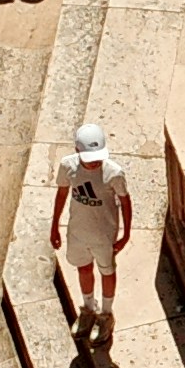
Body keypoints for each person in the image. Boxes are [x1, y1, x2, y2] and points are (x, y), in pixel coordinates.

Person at [47, 121, 139, 352]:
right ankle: (88, 309)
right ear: (78, 151)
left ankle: (106, 314)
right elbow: (62, 193)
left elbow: (125, 202)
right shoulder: (67, 167)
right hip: (78, 232)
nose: (95, 161)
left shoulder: (113, 173)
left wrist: (126, 233)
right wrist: (54, 225)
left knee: (107, 271)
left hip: (104, 235)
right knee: (83, 268)